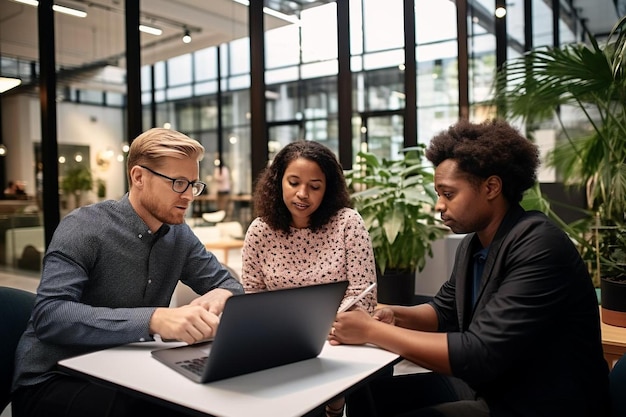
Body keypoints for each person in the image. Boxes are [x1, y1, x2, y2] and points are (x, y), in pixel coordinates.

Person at [330, 119, 610, 417]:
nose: (439, 205)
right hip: (494, 388)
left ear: (491, 187)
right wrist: (392, 315)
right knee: (369, 395)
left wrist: (371, 331)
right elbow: (443, 311)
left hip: (540, 404)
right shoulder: (474, 245)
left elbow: (479, 354)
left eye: (448, 194)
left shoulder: (539, 245)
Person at [11, 127, 244, 417]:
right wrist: (154, 319)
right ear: (138, 177)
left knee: (206, 400)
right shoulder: (83, 228)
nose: (188, 196)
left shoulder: (178, 235)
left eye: (193, 185)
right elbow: (51, 315)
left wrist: (222, 293)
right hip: (53, 379)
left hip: (126, 371)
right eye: (178, 183)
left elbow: (230, 285)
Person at [242, 140, 377, 417]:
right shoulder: (260, 230)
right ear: (279, 182)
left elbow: (364, 292)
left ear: (327, 189)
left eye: (314, 186)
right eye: (293, 183)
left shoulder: (347, 223)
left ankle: (334, 405)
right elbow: (253, 293)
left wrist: (331, 327)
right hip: (280, 342)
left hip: (338, 341)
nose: (302, 194)